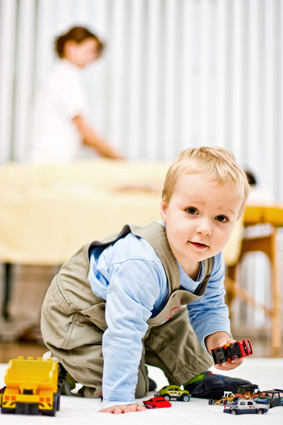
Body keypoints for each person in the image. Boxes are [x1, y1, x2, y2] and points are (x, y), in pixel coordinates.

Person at [41, 146, 250, 414]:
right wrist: (118, 396)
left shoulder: (211, 257)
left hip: (140, 310)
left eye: (221, 218)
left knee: (174, 321)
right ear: (165, 209)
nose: (205, 229)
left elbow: (209, 307)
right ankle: (64, 368)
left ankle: (193, 376)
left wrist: (219, 339)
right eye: (191, 210)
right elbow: (124, 328)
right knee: (135, 387)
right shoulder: (142, 263)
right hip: (78, 313)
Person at [28, 26, 122, 163]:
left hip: (45, 158)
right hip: (52, 160)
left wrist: (104, 151)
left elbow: (80, 134)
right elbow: (83, 129)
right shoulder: (68, 75)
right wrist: (118, 157)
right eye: (90, 51)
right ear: (70, 46)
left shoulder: (57, 74)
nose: (93, 57)